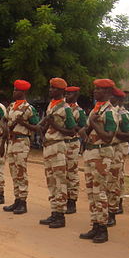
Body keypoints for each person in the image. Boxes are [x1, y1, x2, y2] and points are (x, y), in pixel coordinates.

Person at [79, 78, 118, 243]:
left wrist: (94, 123)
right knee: (91, 192)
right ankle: (95, 224)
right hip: (91, 153)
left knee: (100, 192)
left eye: (99, 89)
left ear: (108, 92)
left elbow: (108, 137)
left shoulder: (109, 111)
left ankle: (102, 228)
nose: (95, 92)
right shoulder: (97, 109)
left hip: (101, 154)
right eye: (95, 89)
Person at [38, 78, 77, 228]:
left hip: (58, 146)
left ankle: (60, 215)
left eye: (53, 88)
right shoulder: (51, 105)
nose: (50, 91)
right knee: (51, 181)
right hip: (49, 146)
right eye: (50, 88)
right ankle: (54, 212)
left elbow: (72, 131)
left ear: (61, 91)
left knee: (60, 181)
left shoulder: (66, 108)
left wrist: (54, 125)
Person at [3, 80, 40, 214]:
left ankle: (23, 202)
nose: (14, 92)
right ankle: (17, 199)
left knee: (21, 172)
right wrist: (5, 129)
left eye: (16, 90)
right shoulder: (11, 106)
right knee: (13, 172)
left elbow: (37, 127)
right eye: (14, 89)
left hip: (22, 141)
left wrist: (23, 124)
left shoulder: (29, 108)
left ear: (23, 92)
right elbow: (4, 120)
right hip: (12, 142)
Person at [108, 87, 129, 222]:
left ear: (118, 99)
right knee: (112, 178)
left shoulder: (123, 114)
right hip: (109, 148)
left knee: (115, 178)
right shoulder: (108, 111)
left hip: (118, 148)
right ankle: (115, 204)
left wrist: (112, 132)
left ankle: (115, 206)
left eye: (111, 97)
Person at [63, 86, 87, 215]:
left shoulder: (79, 111)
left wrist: (70, 126)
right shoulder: (62, 107)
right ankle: (62, 199)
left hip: (72, 143)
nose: (67, 96)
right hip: (61, 143)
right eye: (66, 93)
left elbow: (83, 129)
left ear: (76, 95)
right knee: (61, 173)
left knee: (71, 172)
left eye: (70, 94)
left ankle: (72, 201)